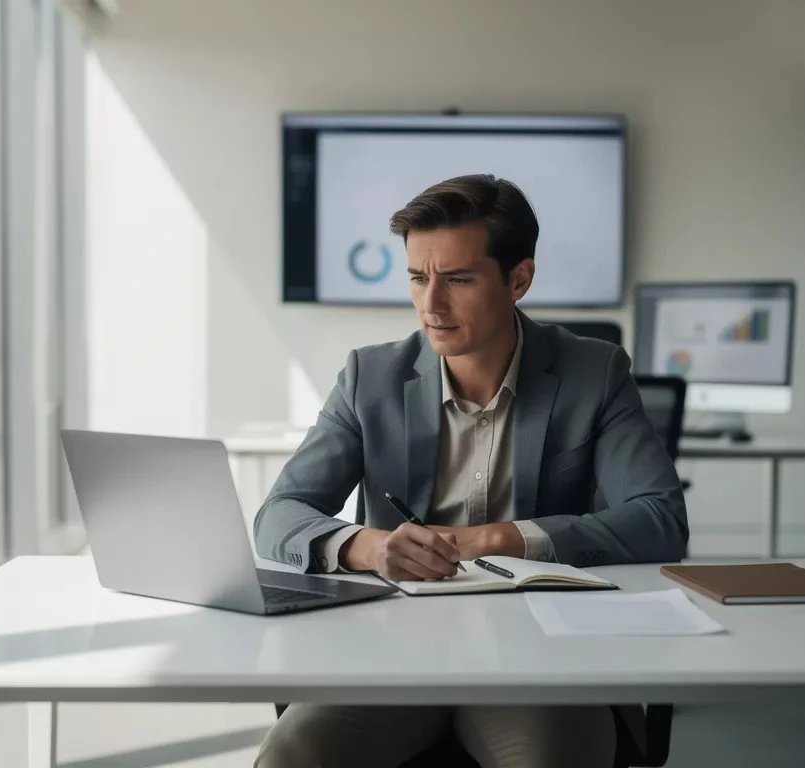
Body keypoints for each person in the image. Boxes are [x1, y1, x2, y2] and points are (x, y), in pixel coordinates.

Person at [252, 174, 688, 768]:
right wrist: (370, 547)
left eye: (457, 280)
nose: (431, 304)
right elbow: (278, 516)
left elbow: (659, 519)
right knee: (291, 755)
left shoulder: (595, 374)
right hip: (394, 654)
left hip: (543, 655)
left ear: (519, 280)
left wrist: (498, 539)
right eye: (417, 277)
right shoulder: (369, 378)